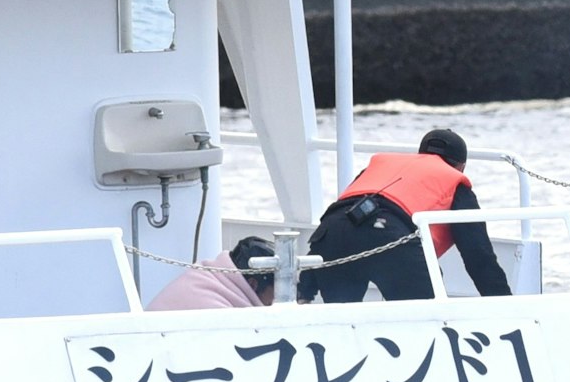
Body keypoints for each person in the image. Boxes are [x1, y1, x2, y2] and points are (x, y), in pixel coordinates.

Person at [297, 127, 512, 303]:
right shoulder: (454, 183)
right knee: (428, 320)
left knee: (342, 324)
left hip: (331, 234)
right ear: (461, 166)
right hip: (389, 239)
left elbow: (341, 222)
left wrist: (305, 289)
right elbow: (479, 257)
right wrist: (509, 309)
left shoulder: (379, 169)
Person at [147, 236, 279, 313]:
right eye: (277, 288)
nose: (275, 302)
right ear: (253, 284)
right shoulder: (217, 307)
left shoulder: (206, 278)